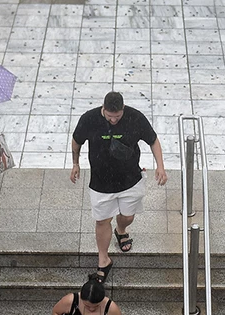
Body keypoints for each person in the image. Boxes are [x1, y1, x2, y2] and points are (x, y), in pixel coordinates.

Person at [70, 91, 167, 277]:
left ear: (123, 110)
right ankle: (103, 259)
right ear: (103, 109)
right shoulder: (89, 119)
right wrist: (75, 164)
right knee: (102, 220)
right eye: (109, 116)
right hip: (100, 183)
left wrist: (160, 166)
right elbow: (76, 141)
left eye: (117, 116)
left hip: (130, 180)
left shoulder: (135, 117)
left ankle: (121, 229)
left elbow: (153, 141)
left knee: (127, 216)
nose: (113, 120)